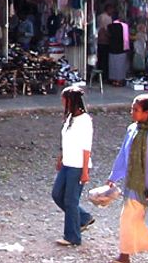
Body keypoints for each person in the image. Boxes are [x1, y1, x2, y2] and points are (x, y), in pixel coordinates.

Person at [107, 94, 148, 263]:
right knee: (132, 220)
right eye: (132, 109)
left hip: (147, 188)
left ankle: (124, 256)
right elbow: (123, 155)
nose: (132, 112)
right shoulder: (132, 129)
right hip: (132, 185)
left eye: (136, 110)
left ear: (146, 113)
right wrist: (114, 176)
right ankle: (124, 255)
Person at [51, 86, 94, 246]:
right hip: (67, 163)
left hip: (77, 166)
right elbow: (65, 139)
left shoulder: (85, 121)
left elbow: (86, 148)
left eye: (64, 100)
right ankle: (83, 218)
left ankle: (72, 236)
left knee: (70, 201)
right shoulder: (70, 118)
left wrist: (84, 171)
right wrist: (61, 157)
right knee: (57, 194)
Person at [97, 4, 116, 75]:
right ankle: (102, 75)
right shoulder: (103, 17)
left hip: (105, 41)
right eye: (111, 9)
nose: (112, 11)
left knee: (103, 59)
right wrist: (109, 36)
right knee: (103, 59)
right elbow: (103, 29)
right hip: (103, 40)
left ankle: (103, 74)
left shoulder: (109, 17)